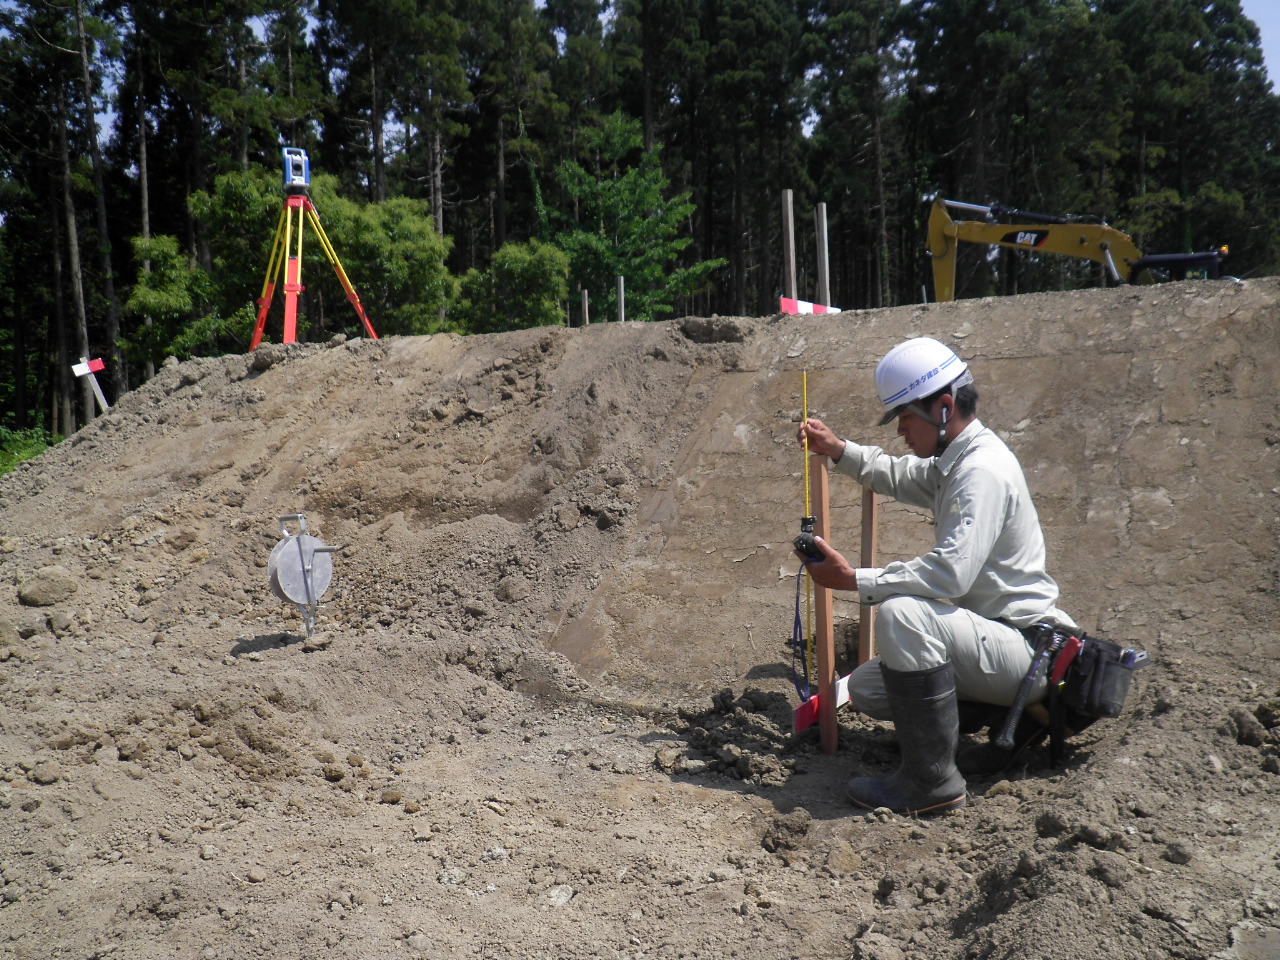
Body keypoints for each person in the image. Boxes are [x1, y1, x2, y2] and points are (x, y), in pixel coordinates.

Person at [797, 336, 1075, 815]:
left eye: (905, 418)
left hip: (1026, 651)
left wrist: (855, 580)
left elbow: (949, 575)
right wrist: (840, 451)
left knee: (905, 615)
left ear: (944, 408)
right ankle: (993, 729)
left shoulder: (981, 471)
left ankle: (931, 783)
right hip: (997, 647)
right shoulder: (959, 461)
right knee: (867, 689)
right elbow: (904, 476)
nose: (901, 431)